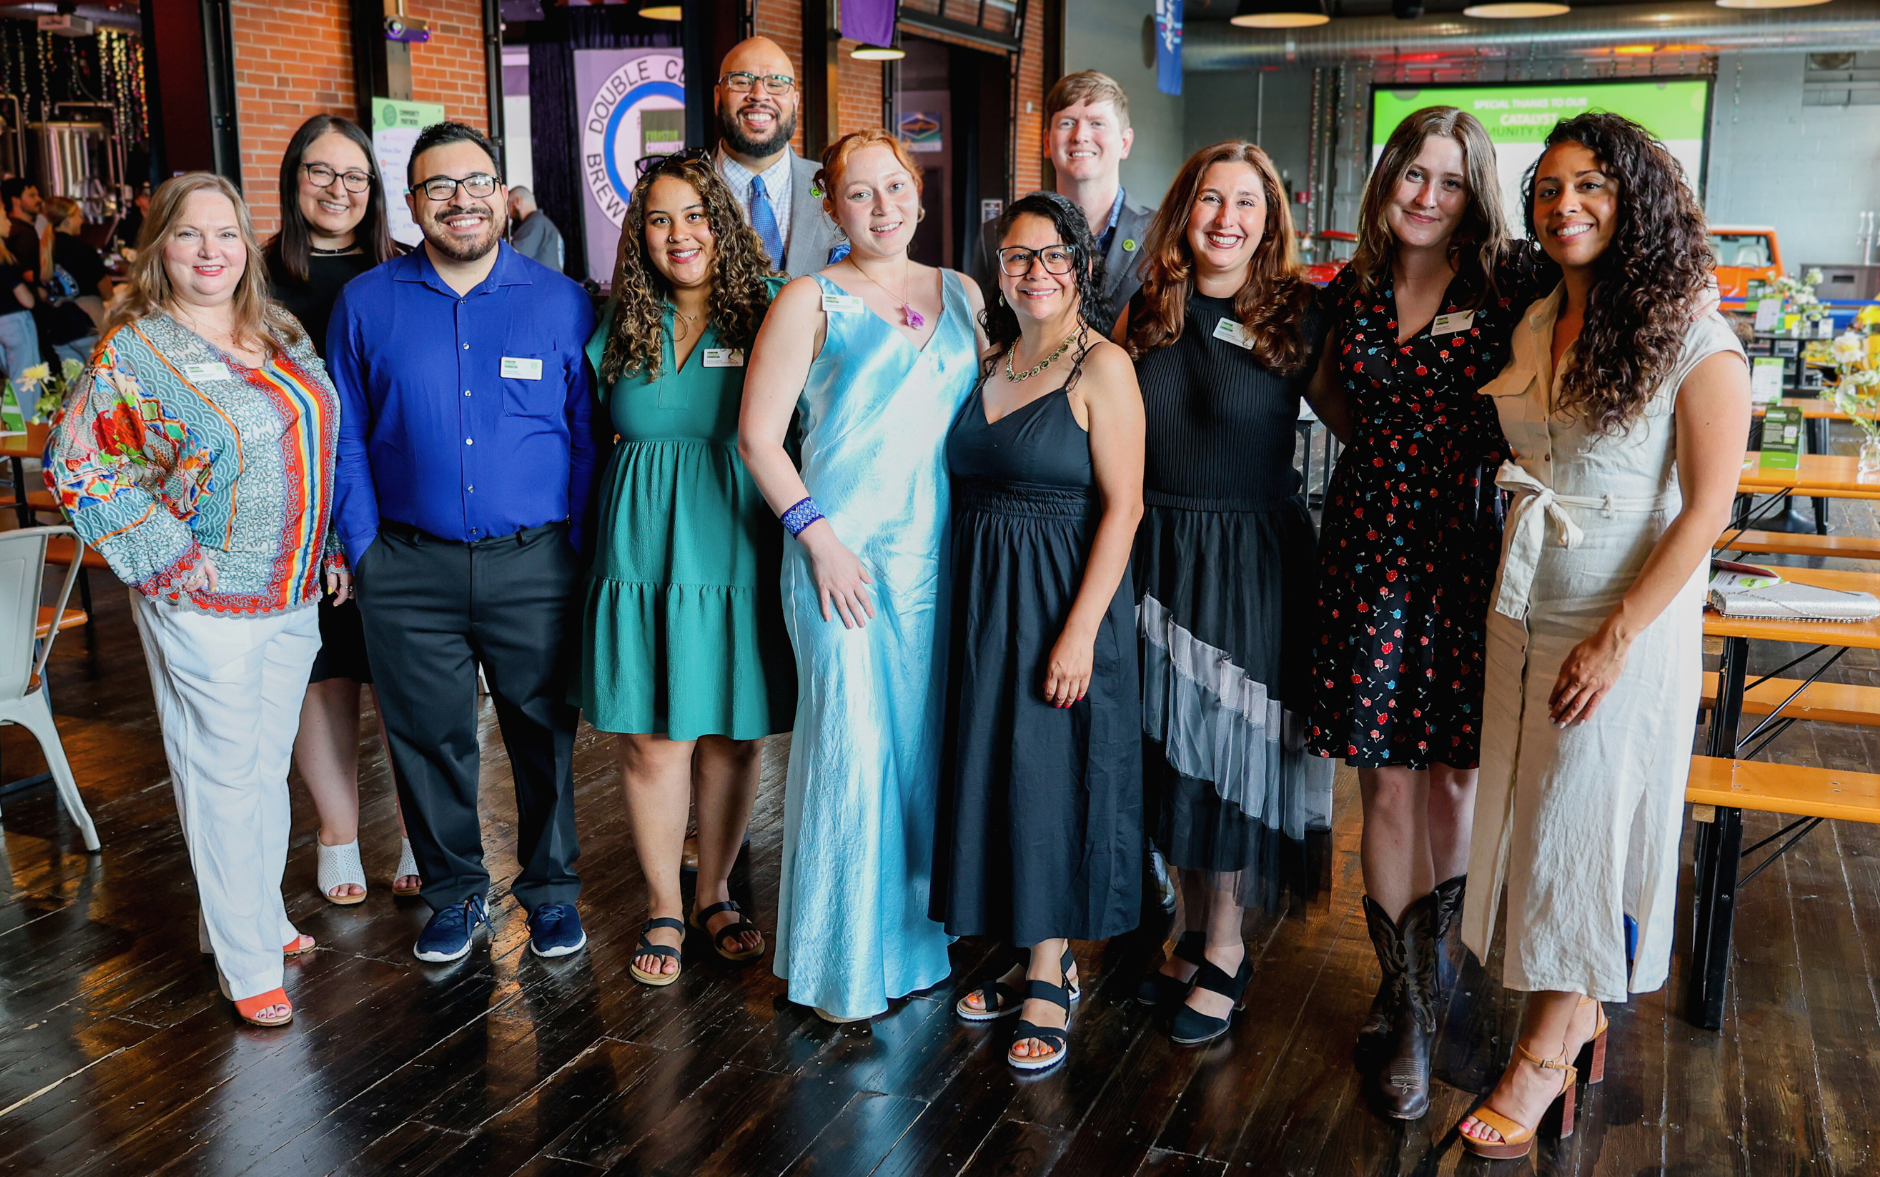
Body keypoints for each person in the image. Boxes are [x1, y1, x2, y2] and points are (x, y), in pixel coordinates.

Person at [1455, 113, 1748, 1159]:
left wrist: (1615, 636)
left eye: (1591, 186)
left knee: (1587, 819)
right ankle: (1571, 1008)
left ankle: (1544, 1048)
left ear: (1636, 202)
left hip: (1622, 615)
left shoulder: (1692, 334)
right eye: (1547, 188)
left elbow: (1705, 510)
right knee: (1536, 816)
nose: (1564, 205)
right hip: (1526, 598)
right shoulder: (1537, 318)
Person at [1301, 106, 1557, 1120]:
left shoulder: (1507, 286)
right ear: (1385, 181)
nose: (1423, 195)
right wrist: (1383, 458)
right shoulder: (1351, 290)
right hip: (1365, 552)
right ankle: (1402, 1004)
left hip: (1460, 553)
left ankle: (1425, 982)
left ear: (1472, 192)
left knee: (1450, 784)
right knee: (1385, 788)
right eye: (1410, 173)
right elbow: (1328, 394)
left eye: (1446, 180)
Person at [44, 172, 345, 1028]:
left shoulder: (276, 327)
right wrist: (163, 549)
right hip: (201, 593)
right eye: (189, 235)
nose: (210, 251)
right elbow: (79, 462)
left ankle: (252, 915)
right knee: (220, 770)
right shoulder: (136, 347)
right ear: (160, 249)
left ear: (246, 244)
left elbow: (307, 443)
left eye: (225, 234)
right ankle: (244, 959)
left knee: (261, 764)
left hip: (292, 587)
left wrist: (324, 542)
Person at [327, 122, 598, 964]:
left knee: (542, 730)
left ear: (503, 193)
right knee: (427, 738)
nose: (460, 200)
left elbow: (588, 434)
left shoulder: (560, 300)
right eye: (438, 187)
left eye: (475, 181)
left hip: (536, 561)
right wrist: (365, 548)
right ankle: (454, 892)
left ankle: (550, 891)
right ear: (411, 204)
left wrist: (579, 547)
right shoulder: (366, 302)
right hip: (407, 564)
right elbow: (346, 434)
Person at [739, 128, 987, 1022]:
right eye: (859, 193)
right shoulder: (808, 296)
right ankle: (840, 961)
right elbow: (758, 439)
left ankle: (915, 945)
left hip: (936, 561)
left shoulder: (961, 292)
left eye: (895, 188)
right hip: (837, 559)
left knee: (920, 752)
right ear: (831, 207)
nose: (882, 208)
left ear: (919, 194)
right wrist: (820, 540)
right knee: (852, 753)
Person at [1119, 142, 1335, 1046]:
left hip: (1252, 553)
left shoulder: (1298, 318)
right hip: (1155, 545)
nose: (1227, 220)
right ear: (1185, 208)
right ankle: (1187, 926)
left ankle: (1227, 945)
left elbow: (1363, 436)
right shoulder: (1144, 309)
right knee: (1170, 750)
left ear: (1270, 221)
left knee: (1235, 751)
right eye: (1212, 199)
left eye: (1248, 203)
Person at [934, 191, 1144, 1073]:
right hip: (982, 595)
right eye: (1018, 257)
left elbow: (1126, 507)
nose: (1035, 272)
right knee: (997, 771)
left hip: (1060, 593)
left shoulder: (1103, 367)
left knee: (1049, 777)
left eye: (1054, 255)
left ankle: (1054, 970)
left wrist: (1079, 632)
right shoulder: (989, 359)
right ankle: (1026, 952)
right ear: (999, 269)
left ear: (1081, 266)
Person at [577, 152, 795, 987]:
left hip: (740, 541)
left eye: (697, 215)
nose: (680, 235)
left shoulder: (773, 308)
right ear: (640, 231)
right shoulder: (615, 319)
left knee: (735, 735)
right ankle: (665, 902)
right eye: (660, 218)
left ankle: (716, 891)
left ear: (725, 224)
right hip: (641, 551)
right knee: (655, 738)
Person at [264, 113, 409, 906]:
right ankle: (338, 832)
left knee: (399, 671)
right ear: (293, 181)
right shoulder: (253, 277)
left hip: (389, 503)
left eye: (355, 176)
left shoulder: (403, 272)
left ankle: (420, 827)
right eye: (321, 172)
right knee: (320, 672)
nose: (338, 189)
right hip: (294, 508)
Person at [973, 72, 1153, 328]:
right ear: (1047, 142)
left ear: (1125, 143)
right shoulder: (993, 236)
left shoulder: (1164, 235)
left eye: (1097, 123)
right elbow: (984, 331)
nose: (1080, 135)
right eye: (1067, 123)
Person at [712, 36, 844, 277]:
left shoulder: (835, 186)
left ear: (795, 102)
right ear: (718, 97)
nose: (759, 95)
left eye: (776, 83)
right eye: (742, 81)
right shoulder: (672, 190)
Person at [0, 236, 39, 381]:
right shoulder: (3, 258)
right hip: (15, 322)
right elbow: (27, 301)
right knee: (26, 380)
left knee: (10, 378)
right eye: (4, 218)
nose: (9, 223)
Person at [507, 187, 565, 272]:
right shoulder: (544, 224)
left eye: (509, 206)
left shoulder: (534, 222)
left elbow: (512, 256)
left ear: (517, 201)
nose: (509, 213)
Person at [3, 178, 43, 286]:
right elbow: (28, 275)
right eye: (32, 196)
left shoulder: (14, 228)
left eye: (38, 195)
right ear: (15, 200)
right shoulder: (23, 233)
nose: (39, 199)